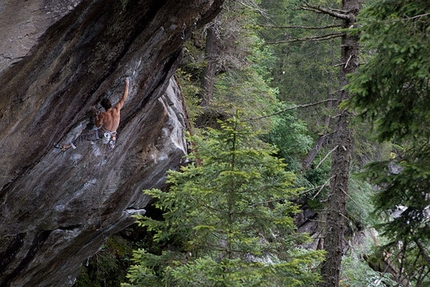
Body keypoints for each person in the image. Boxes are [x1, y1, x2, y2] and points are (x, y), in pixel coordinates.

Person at [57, 77, 129, 151]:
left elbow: (98, 124)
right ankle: (111, 139)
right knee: (107, 132)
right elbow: (124, 97)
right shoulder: (117, 109)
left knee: (82, 136)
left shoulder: (103, 114)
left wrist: (95, 114)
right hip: (113, 133)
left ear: (104, 107)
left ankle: (66, 147)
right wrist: (126, 84)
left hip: (101, 134)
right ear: (110, 104)